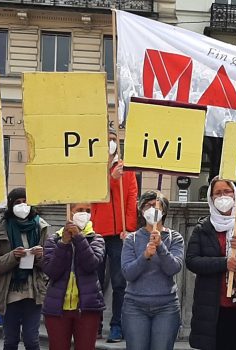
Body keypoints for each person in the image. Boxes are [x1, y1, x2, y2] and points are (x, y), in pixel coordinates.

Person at [185, 177, 236, 350]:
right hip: (212, 308)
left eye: (227, 191)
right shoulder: (203, 228)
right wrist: (224, 263)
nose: (223, 196)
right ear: (211, 198)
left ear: (235, 194)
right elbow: (192, 261)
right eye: (218, 193)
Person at [122, 191, 185, 350]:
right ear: (141, 210)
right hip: (135, 306)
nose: (152, 209)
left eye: (156, 206)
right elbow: (128, 273)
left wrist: (161, 247)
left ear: (163, 211)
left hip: (166, 307)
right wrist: (144, 256)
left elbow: (174, 268)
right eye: (148, 206)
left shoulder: (174, 237)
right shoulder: (132, 239)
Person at [93, 128, 138, 342]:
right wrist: (111, 178)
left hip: (119, 234)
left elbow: (131, 199)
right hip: (97, 232)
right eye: (107, 140)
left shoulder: (126, 169)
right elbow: (94, 194)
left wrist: (128, 228)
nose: (111, 143)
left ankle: (116, 325)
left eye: (113, 140)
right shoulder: (93, 167)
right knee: (96, 280)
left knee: (120, 282)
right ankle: (95, 323)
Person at [0, 188, 49, 350]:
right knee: (10, 341)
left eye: (25, 201)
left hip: (34, 291)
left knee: (31, 340)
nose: (22, 205)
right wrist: (13, 257)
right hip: (9, 293)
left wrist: (39, 256)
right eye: (17, 202)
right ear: (10, 205)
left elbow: (50, 265)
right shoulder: (1, 228)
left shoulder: (40, 226)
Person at [42, 203, 105, 350]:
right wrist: (63, 243)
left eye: (88, 211)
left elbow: (92, 264)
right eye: (80, 210)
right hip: (57, 308)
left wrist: (79, 238)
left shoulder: (97, 239)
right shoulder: (53, 240)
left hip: (87, 308)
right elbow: (51, 271)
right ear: (70, 213)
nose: (84, 214)